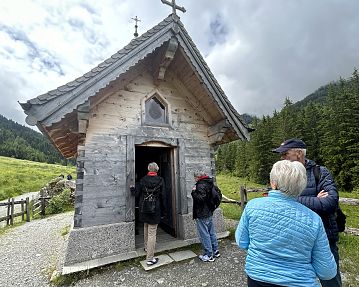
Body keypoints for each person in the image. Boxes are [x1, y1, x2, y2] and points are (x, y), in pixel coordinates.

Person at [236, 160, 337, 287]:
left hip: (257, 278)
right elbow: (327, 272)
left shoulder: (252, 206)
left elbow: (241, 241)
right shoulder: (314, 220)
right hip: (299, 282)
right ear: (302, 186)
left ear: (273, 183)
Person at [273, 138, 341, 287]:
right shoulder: (282, 174)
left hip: (324, 236)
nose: (282, 158)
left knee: (331, 280)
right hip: (294, 237)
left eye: (285, 154)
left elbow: (330, 202)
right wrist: (313, 200)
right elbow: (277, 201)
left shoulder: (320, 172)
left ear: (298, 154)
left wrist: (293, 199)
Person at [130, 162, 164, 266]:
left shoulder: (143, 180)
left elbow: (136, 194)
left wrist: (132, 189)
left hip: (144, 208)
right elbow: (163, 196)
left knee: (146, 227)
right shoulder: (160, 180)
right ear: (156, 169)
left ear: (149, 169)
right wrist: (164, 210)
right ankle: (150, 258)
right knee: (152, 233)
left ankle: (146, 247)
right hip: (155, 209)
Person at [191, 170, 220, 262]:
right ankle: (215, 250)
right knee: (211, 232)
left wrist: (193, 192)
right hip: (209, 211)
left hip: (202, 213)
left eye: (195, 178)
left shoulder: (200, 185)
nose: (194, 180)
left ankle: (208, 255)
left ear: (197, 177)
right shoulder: (209, 182)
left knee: (204, 234)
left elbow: (201, 199)